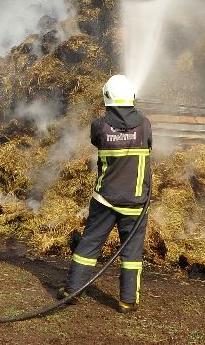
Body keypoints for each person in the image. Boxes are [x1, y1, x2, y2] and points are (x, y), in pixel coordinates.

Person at [62, 75, 152, 313]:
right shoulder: (144, 124)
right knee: (131, 252)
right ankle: (126, 301)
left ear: (106, 97)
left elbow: (97, 141)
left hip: (104, 199)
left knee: (89, 244)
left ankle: (72, 291)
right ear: (132, 96)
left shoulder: (99, 126)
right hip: (135, 201)